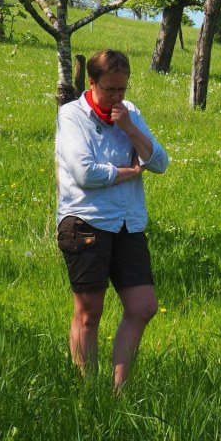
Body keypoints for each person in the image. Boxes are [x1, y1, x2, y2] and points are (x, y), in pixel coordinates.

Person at [56, 49, 169, 391]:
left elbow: (160, 162)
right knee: (90, 312)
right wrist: (127, 172)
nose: (117, 96)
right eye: (110, 89)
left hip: (127, 222)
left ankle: (118, 391)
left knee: (143, 306)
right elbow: (84, 173)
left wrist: (130, 129)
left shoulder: (130, 113)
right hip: (85, 221)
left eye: (122, 89)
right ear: (92, 83)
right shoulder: (72, 115)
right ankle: (88, 390)